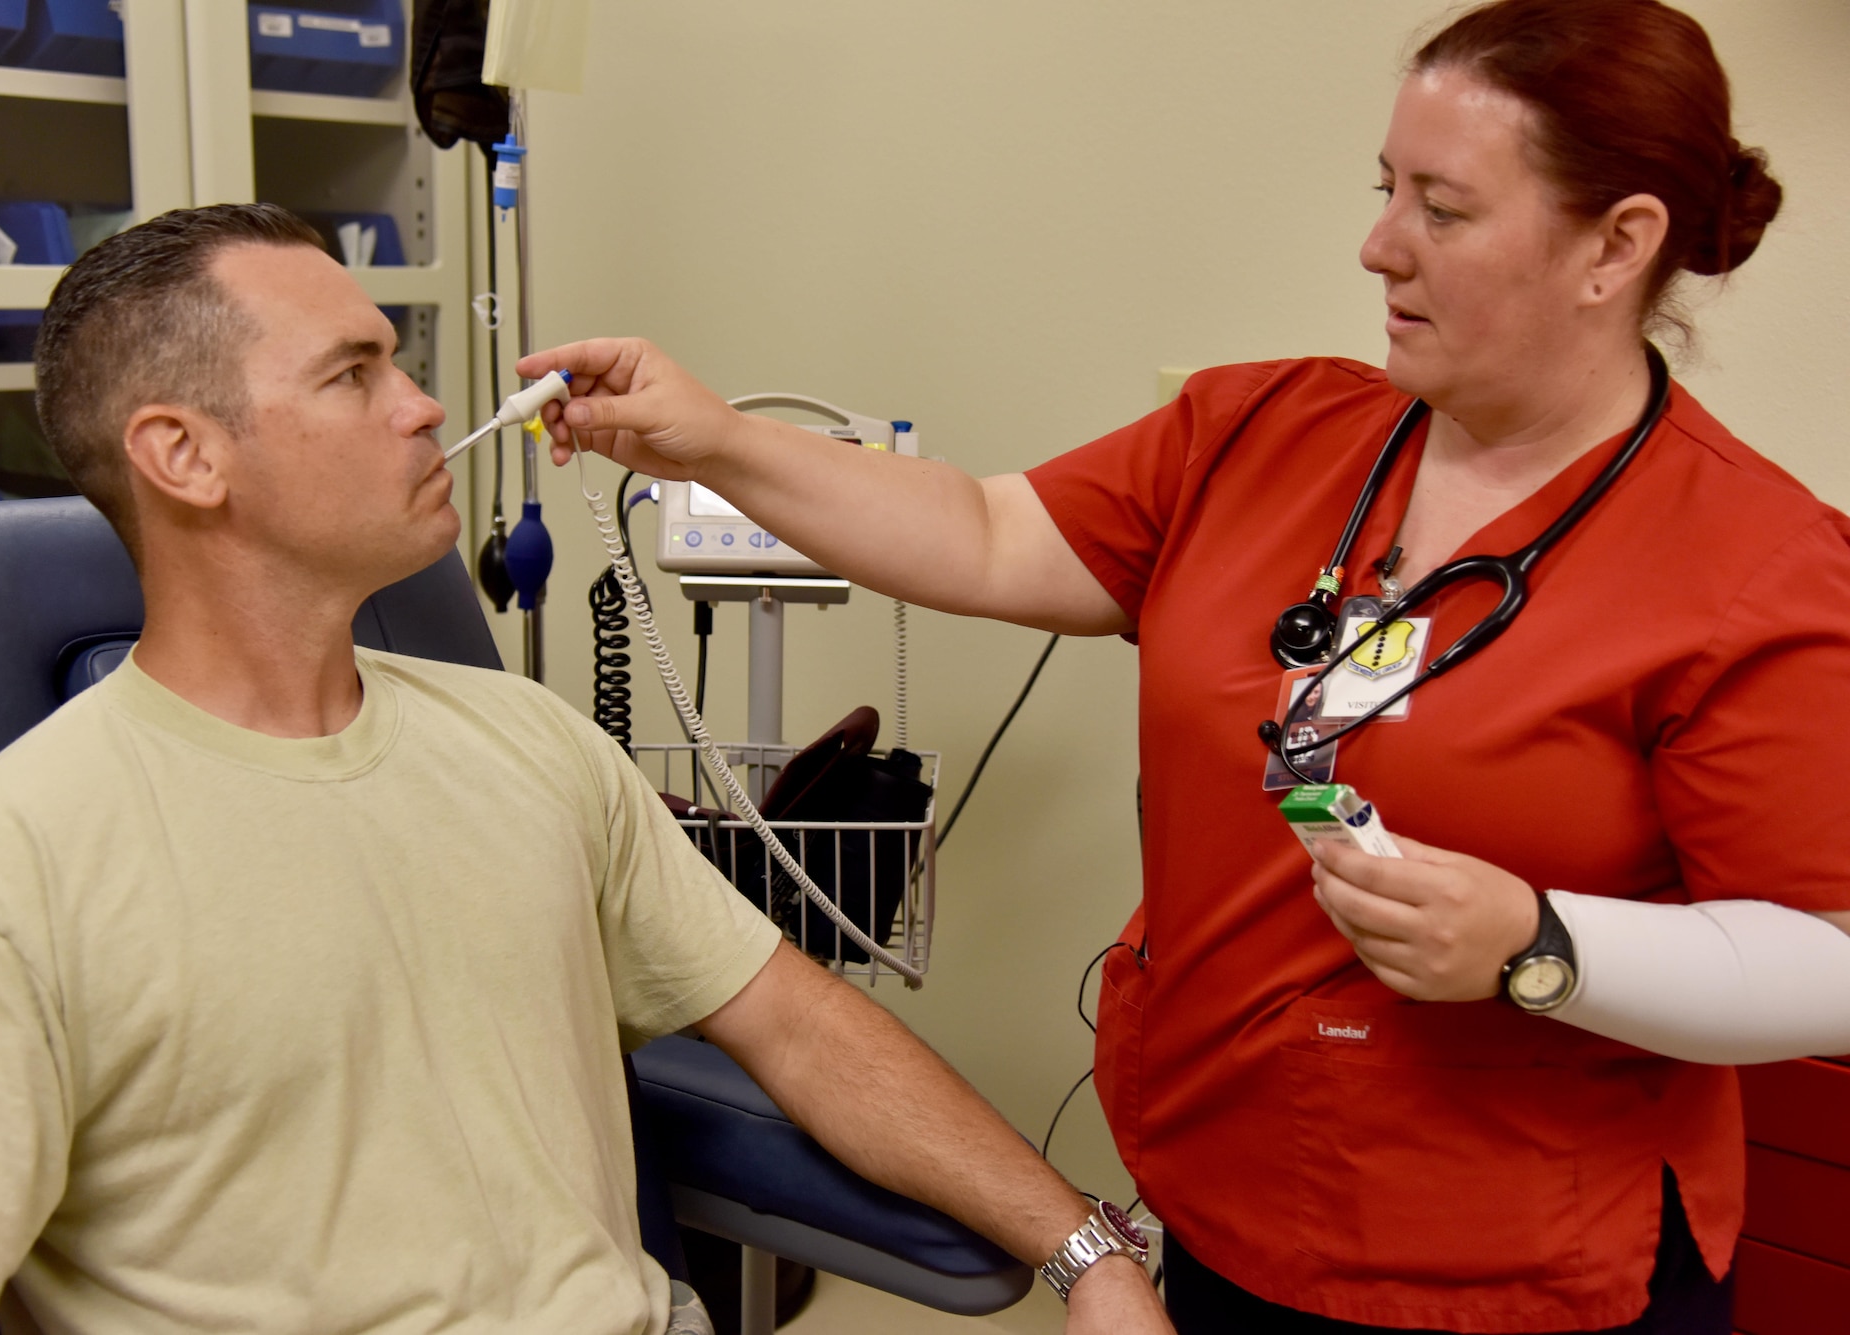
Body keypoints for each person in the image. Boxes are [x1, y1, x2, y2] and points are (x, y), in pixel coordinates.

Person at [516, 2, 1850, 1331]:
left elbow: (1829, 959)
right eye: (1385, 189)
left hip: (1518, 1272)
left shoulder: (1752, 565)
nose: (1379, 245)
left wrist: (1542, 949)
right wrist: (717, 444)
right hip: (1223, 1208)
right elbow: (983, 534)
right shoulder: (1266, 430)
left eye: (1443, 210)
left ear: (1617, 245)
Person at [0, 204, 1173, 1335]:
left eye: (402, 363)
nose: (425, 405)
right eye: (354, 374)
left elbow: (796, 1024)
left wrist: (1089, 1251)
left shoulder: (527, 743)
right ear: (182, 457)